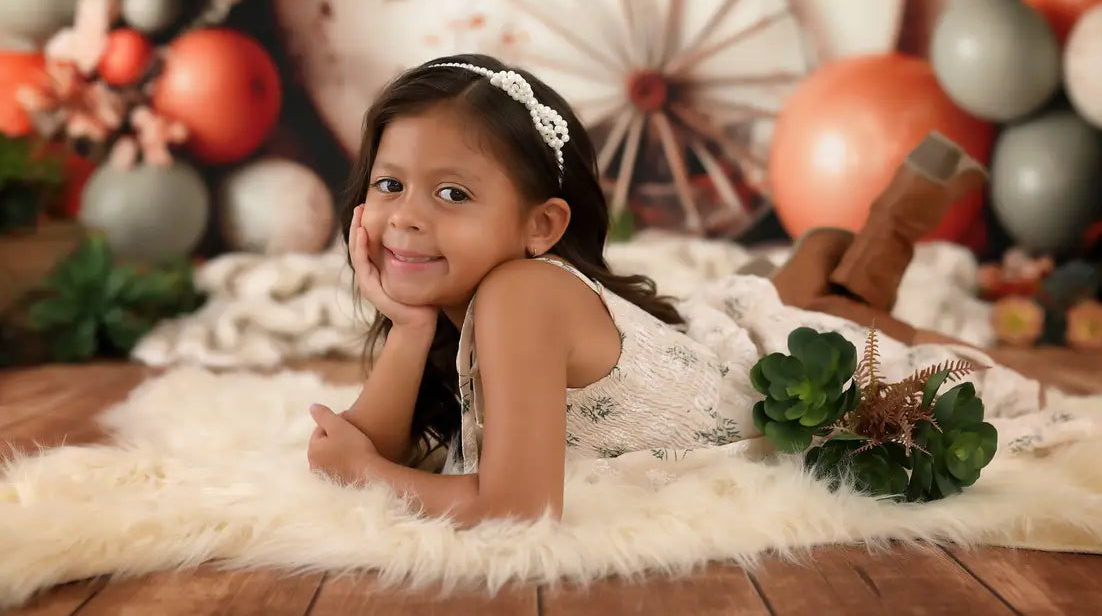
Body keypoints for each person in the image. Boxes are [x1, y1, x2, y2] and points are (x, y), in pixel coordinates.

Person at [305, 53, 1002, 527]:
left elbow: (516, 511)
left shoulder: (518, 295)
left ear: (542, 225)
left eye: (452, 192)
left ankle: (899, 213)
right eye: (389, 183)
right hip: (710, 342)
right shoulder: (485, 302)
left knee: (850, 316)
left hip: (763, 374)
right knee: (807, 282)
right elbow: (361, 442)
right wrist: (412, 325)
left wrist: (370, 477)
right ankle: (846, 242)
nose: (406, 217)